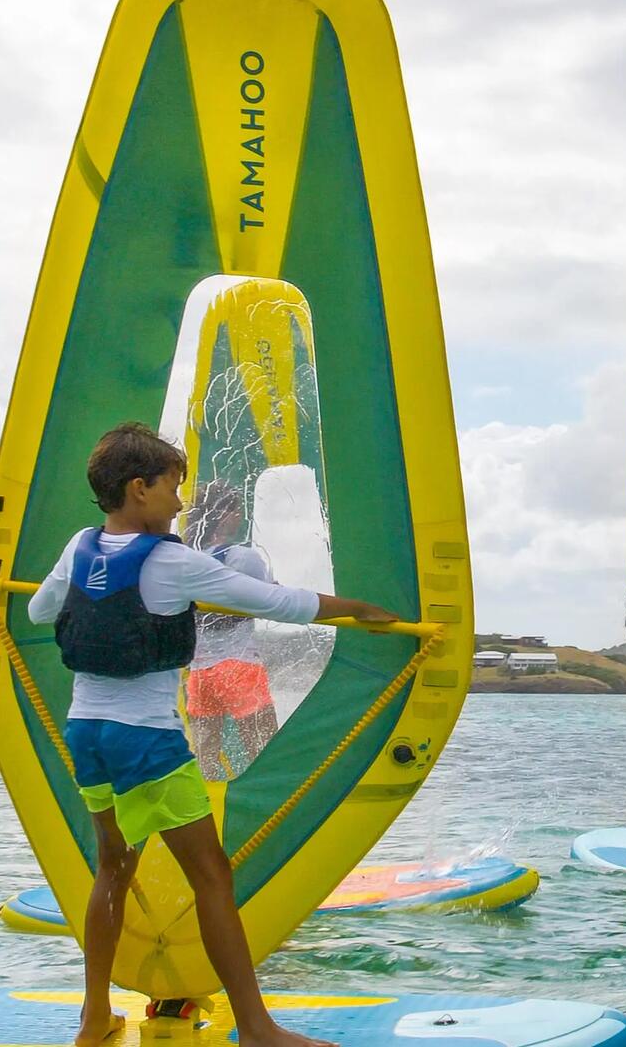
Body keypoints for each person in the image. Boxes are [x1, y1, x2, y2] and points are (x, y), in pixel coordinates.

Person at [28, 422, 399, 1047]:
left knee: (113, 871)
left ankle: (93, 1020)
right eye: (173, 488)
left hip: (86, 731)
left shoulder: (79, 545)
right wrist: (360, 609)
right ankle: (257, 1029)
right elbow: (277, 602)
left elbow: (41, 611)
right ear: (140, 488)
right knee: (212, 877)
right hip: (145, 741)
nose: (180, 503)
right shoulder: (172, 561)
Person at [182, 480, 279, 780]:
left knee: (206, 761)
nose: (240, 517)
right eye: (236, 510)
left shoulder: (187, 559)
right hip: (240, 667)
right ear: (225, 514)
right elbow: (272, 598)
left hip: (200, 673)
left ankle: (213, 814)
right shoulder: (243, 558)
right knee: (266, 754)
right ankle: (270, 814)